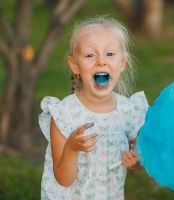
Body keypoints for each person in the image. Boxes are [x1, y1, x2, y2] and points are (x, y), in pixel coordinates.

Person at [39, 16, 148, 200]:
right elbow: (63, 179)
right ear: (75, 65)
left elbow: (136, 154)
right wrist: (71, 149)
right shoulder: (63, 115)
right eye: (90, 55)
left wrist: (136, 161)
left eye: (110, 54)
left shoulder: (129, 112)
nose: (101, 62)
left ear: (122, 63)